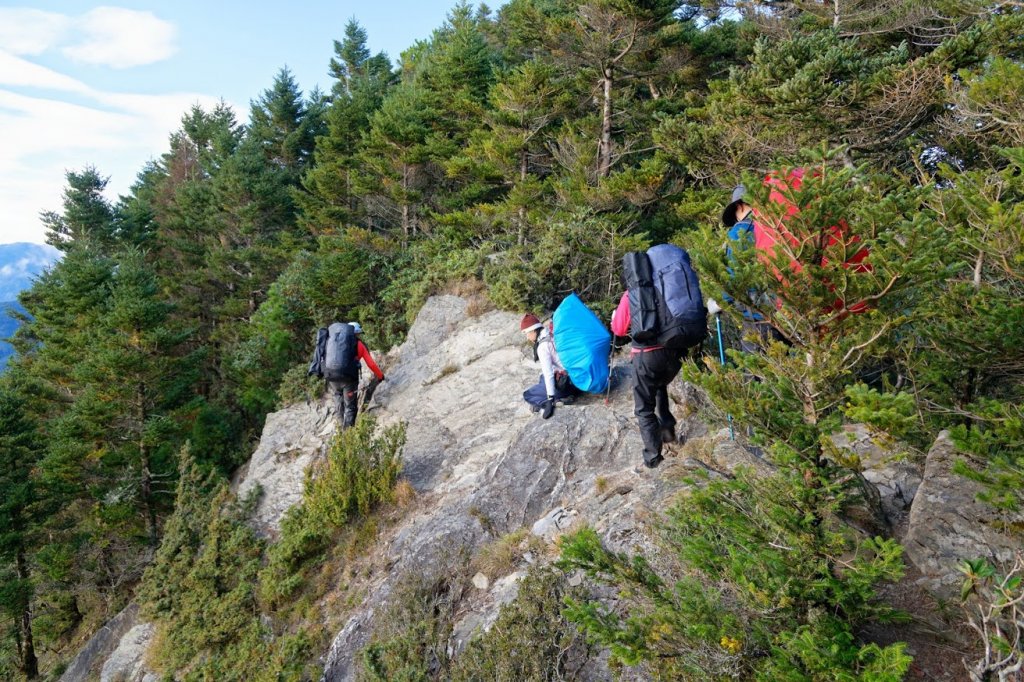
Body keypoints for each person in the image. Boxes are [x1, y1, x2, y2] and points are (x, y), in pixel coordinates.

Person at [612, 249, 706, 470]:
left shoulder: (632, 295)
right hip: (673, 353)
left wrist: (616, 318)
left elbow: (619, 329)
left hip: (646, 357)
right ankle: (667, 428)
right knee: (660, 385)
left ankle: (653, 457)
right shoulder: (667, 289)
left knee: (644, 407)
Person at [312, 321, 385, 428]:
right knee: (350, 407)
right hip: (348, 379)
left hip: (331, 376)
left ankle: (340, 429)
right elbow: (371, 364)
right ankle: (348, 434)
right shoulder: (359, 344)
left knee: (338, 400)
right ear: (356, 333)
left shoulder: (332, 341)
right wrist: (380, 376)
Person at [520, 313, 579, 419]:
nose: (527, 337)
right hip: (576, 377)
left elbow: (549, 375)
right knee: (541, 378)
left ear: (534, 330)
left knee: (529, 394)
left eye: (526, 333)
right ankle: (563, 396)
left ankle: (557, 400)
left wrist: (550, 400)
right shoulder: (551, 333)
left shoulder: (542, 347)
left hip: (567, 383)